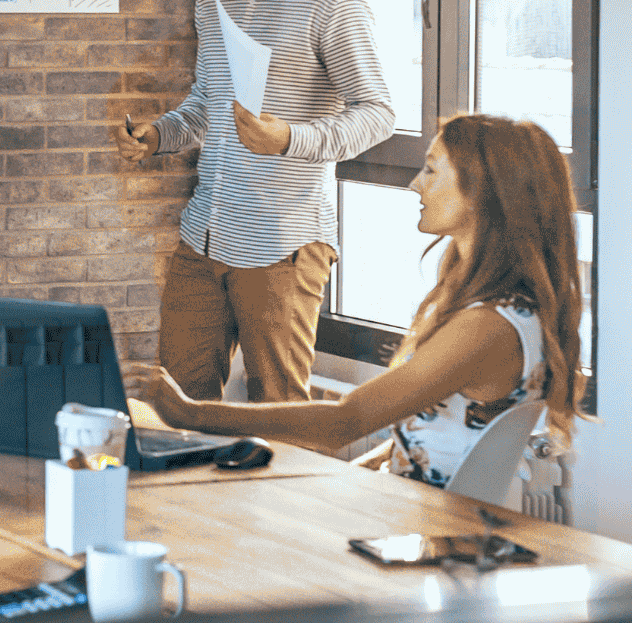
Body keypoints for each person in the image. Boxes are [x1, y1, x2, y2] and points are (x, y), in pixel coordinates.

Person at [129, 113, 583, 482]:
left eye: (431, 170)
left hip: (430, 527)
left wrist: (190, 413)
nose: (415, 185)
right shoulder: (499, 308)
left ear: (482, 190)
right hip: (412, 513)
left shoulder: (487, 326)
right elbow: (424, 436)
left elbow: (346, 421)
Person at [113, 0, 394, 405]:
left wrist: (289, 139)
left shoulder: (333, 0)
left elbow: (378, 113)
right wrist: (158, 136)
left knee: (280, 410)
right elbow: (206, 104)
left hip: (282, 244)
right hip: (205, 234)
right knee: (176, 404)